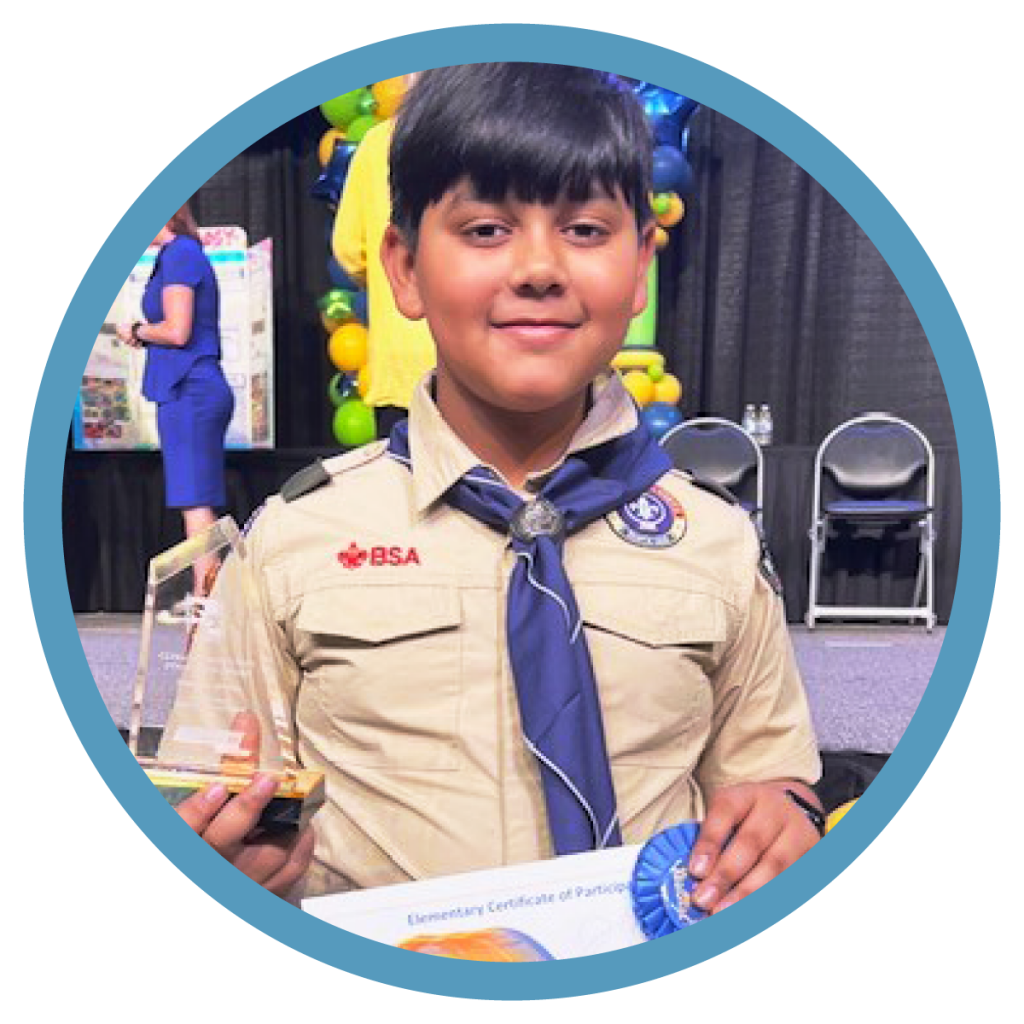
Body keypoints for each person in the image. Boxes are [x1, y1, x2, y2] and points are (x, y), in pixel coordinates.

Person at [171, 63, 823, 915]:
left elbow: (770, 772)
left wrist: (785, 811)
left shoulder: (716, 541)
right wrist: (224, 856)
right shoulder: (293, 542)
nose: (540, 268)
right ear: (401, 269)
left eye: (586, 229)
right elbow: (217, 795)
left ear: (639, 272)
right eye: (485, 229)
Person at [118, 203, 235, 594]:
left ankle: (206, 616)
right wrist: (145, 333)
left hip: (192, 390)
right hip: (185, 389)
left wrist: (138, 328)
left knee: (196, 504)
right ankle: (209, 613)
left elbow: (178, 331)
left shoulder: (181, 252)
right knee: (195, 503)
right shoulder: (174, 255)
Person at [330, 81, 437, 438]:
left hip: (401, 363)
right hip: (495, 368)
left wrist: (381, 280)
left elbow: (348, 249)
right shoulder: (497, 135)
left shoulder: (378, 143)